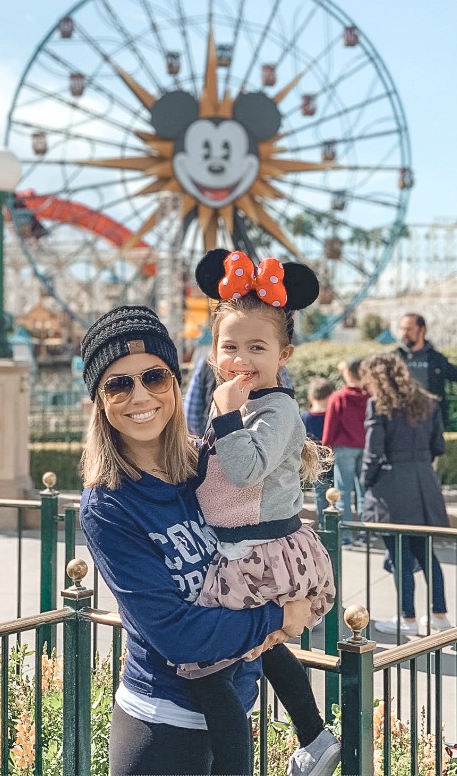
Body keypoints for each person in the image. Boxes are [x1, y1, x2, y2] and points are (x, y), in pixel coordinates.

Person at [78, 305, 315, 776]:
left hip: (235, 705)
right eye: (117, 383)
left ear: (175, 382)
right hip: (164, 728)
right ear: (99, 401)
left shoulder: (205, 466)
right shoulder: (108, 505)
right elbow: (176, 634)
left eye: (154, 377)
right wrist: (280, 616)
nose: (139, 395)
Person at [181, 249, 340, 776]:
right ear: (214, 349)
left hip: (262, 552)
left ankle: (244, 762)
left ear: (284, 354)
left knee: (207, 662)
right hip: (240, 548)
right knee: (261, 650)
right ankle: (315, 739)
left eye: (257, 346)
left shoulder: (277, 408)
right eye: (231, 346)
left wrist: (225, 413)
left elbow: (246, 469)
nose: (242, 357)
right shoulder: (240, 401)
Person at [358, 353, 452, 636]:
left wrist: (366, 483)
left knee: (399, 555)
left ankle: (407, 618)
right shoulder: (428, 402)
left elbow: (373, 453)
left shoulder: (379, 405)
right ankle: (440, 615)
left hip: (392, 486)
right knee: (426, 553)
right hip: (424, 483)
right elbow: (438, 446)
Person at [322, 357, 368, 541]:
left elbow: (330, 427)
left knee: (342, 493)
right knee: (365, 492)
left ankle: (346, 534)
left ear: (347, 373)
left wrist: (327, 448)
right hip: (366, 448)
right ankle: (366, 532)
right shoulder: (371, 396)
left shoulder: (338, 397)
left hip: (344, 449)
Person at [301, 377, 334, 528]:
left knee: (320, 496)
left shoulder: (304, 418)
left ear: (310, 398)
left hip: (315, 464)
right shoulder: (332, 417)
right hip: (334, 461)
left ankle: (324, 526)